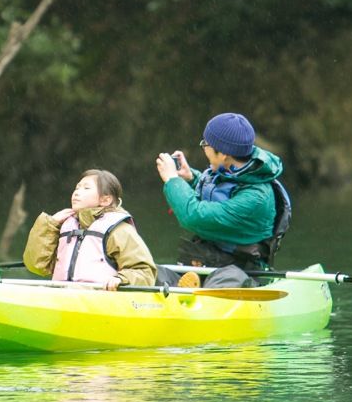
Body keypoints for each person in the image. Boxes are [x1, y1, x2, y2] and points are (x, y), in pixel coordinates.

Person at [155, 112, 288, 288]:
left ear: (224, 154)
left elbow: (194, 217)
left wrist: (172, 180)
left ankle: (197, 296)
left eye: (205, 144)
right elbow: (218, 192)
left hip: (240, 271)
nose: (203, 148)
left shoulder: (256, 198)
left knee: (226, 279)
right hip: (204, 263)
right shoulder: (230, 170)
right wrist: (191, 178)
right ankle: (188, 289)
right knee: (148, 271)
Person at [22, 169, 157, 290]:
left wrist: (121, 280)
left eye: (86, 188)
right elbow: (36, 265)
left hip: (101, 300)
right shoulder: (65, 225)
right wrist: (48, 225)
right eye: (77, 187)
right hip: (62, 296)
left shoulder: (119, 230)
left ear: (105, 200)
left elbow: (144, 272)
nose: (76, 192)